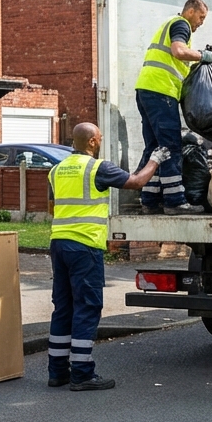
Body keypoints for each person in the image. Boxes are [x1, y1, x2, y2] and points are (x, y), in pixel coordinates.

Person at [47, 122, 169, 391]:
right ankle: (81, 373)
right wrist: (155, 161)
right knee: (88, 306)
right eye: (99, 137)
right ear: (91, 142)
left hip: (59, 243)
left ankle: (57, 372)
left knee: (63, 307)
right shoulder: (97, 168)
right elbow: (136, 182)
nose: (101, 141)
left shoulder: (56, 170)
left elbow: (51, 206)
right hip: (85, 245)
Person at [134, 0, 212, 215]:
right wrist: (202, 56)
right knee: (171, 146)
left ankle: (149, 200)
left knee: (155, 147)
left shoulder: (168, 24)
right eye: (201, 17)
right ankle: (175, 201)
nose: (201, 22)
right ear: (190, 11)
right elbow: (178, 51)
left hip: (146, 90)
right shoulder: (181, 25)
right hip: (161, 92)